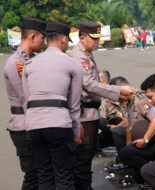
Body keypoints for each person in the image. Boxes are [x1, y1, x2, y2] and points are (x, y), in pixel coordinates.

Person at [70, 21, 134, 190]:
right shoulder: (79, 57)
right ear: (82, 38)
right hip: (84, 114)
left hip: (90, 113)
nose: (97, 42)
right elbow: (90, 85)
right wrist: (119, 90)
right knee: (83, 159)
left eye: (98, 38)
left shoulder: (86, 54)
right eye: (94, 38)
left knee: (86, 158)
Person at [22, 22, 83, 190]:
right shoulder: (73, 65)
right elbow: (74, 105)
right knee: (64, 176)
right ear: (64, 39)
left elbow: (26, 100)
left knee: (45, 176)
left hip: (33, 126)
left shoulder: (29, 64)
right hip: (59, 124)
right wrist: (76, 132)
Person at [3, 17, 46, 190]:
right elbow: (26, 97)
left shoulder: (35, 60)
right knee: (33, 174)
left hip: (35, 123)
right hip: (23, 125)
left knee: (42, 173)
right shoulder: (15, 63)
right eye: (42, 38)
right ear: (33, 36)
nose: (44, 42)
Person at [115, 82, 155, 188]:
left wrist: (145, 139)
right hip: (143, 140)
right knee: (125, 154)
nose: (118, 99)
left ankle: (153, 173)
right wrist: (129, 147)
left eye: (120, 95)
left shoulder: (140, 101)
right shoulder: (127, 102)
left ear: (127, 92)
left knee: (126, 155)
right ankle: (146, 171)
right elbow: (130, 126)